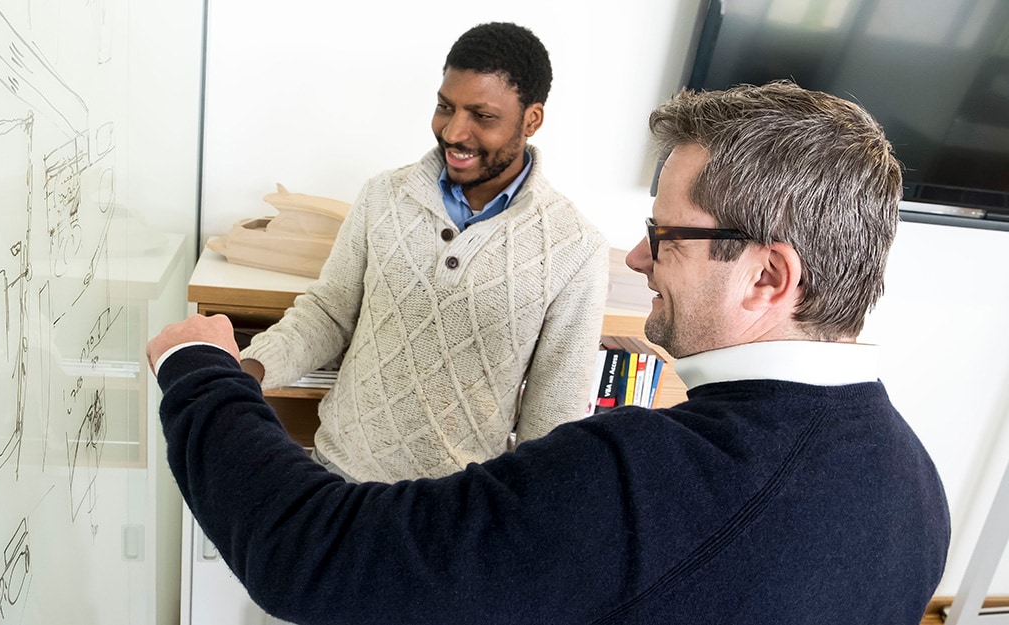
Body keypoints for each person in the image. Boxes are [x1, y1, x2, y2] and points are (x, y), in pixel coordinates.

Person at [148, 81, 950, 624]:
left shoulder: (633, 481)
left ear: (768, 276)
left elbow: (312, 551)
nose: (636, 260)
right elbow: (330, 308)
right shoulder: (918, 488)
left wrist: (198, 375)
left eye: (663, 236)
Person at [236, 22, 609, 483]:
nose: (454, 131)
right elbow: (330, 314)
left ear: (531, 120)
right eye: (445, 107)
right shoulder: (382, 196)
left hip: (455, 509)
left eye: (482, 116)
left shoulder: (575, 248)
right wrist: (244, 372)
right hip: (336, 475)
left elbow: (554, 415)